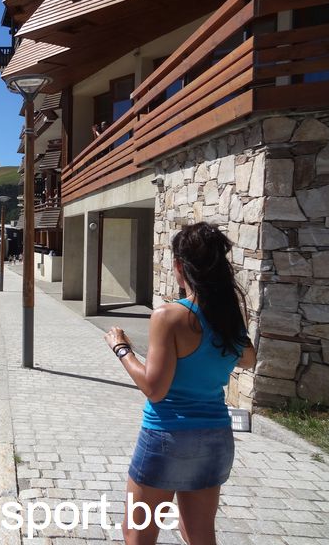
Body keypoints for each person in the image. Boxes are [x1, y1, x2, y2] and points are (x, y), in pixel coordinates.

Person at [103, 222, 256, 545]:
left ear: (178, 266)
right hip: (215, 436)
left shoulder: (169, 316)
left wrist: (121, 348)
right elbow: (247, 359)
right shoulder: (227, 315)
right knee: (198, 534)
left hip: (167, 435)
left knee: (137, 533)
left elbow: (154, 389)